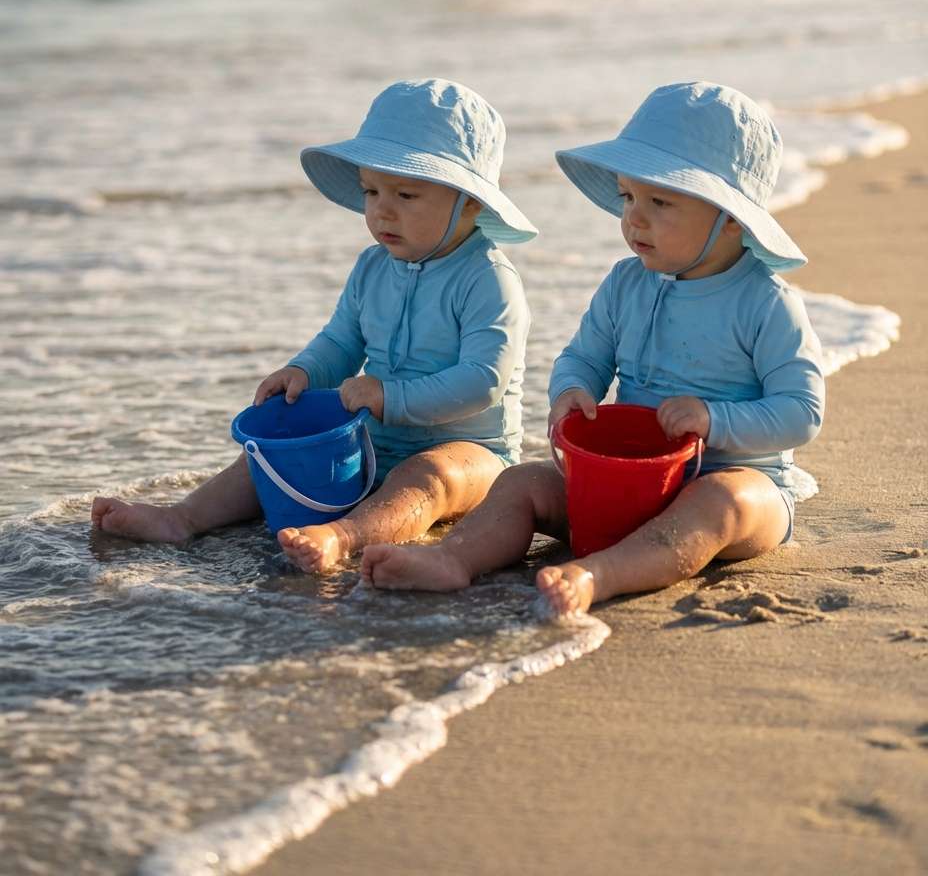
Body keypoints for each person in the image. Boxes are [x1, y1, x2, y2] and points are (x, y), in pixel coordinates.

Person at [362, 82, 826, 616]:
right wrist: (571, 392)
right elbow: (583, 357)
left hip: (738, 479)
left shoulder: (766, 302)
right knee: (522, 482)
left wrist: (713, 419)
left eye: (661, 201)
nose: (634, 218)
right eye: (629, 197)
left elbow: (802, 412)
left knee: (719, 504)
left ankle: (597, 574)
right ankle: (453, 559)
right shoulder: (626, 283)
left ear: (729, 216)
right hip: (625, 480)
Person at [92, 79, 536, 572]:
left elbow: (484, 381)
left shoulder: (487, 280)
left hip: (472, 455)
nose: (381, 209)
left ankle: (341, 536)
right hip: (371, 438)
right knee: (266, 457)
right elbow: (342, 341)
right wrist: (304, 371)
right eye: (371, 190)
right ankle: (182, 518)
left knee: (426, 477)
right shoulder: (372, 267)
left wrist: (390, 398)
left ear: (470, 202)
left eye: (406, 193)